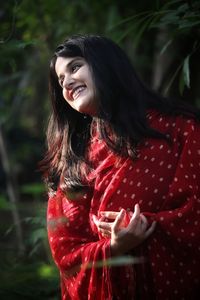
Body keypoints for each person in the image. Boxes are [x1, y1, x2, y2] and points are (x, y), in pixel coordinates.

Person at [40, 34, 200, 299]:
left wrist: (146, 226)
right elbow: (66, 252)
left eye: (75, 67)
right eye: (60, 80)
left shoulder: (180, 129)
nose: (66, 82)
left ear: (107, 66)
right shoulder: (71, 160)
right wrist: (114, 247)